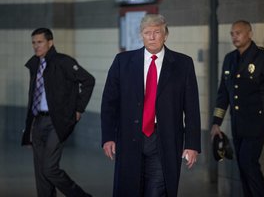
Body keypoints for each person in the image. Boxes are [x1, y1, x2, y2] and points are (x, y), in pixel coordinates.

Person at [101, 14, 201, 197]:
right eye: (148, 32)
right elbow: (109, 102)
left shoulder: (183, 64)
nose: (152, 37)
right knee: (130, 190)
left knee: (157, 192)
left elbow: (192, 107)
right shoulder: (122, 62)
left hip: (165, 140)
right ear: (141, 35)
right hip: (131, 139)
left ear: (165, 35)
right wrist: (108, 136)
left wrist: (192, 144)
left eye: (157, 32)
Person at [210, 20, 264, 197]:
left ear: (249, 34)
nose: (235, 36)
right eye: (232, 34)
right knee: (243, 167)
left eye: (239, 33)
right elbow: (223, 94)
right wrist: (216, 122)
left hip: (258, 123)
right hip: (238, 124)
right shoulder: (230, 59)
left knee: (248, 163)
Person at [22, 28, 95, 197]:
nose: (36, 46)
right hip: (38, 120)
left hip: (57, 121)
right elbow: (33, 96)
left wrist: (78, 109)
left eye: (39, 42)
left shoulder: (63, 62)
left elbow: (88, 80)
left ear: (50, 42)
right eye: (33, 42)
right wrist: (28, 128)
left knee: (49, 168)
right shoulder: (34, 64)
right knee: (40, 171)